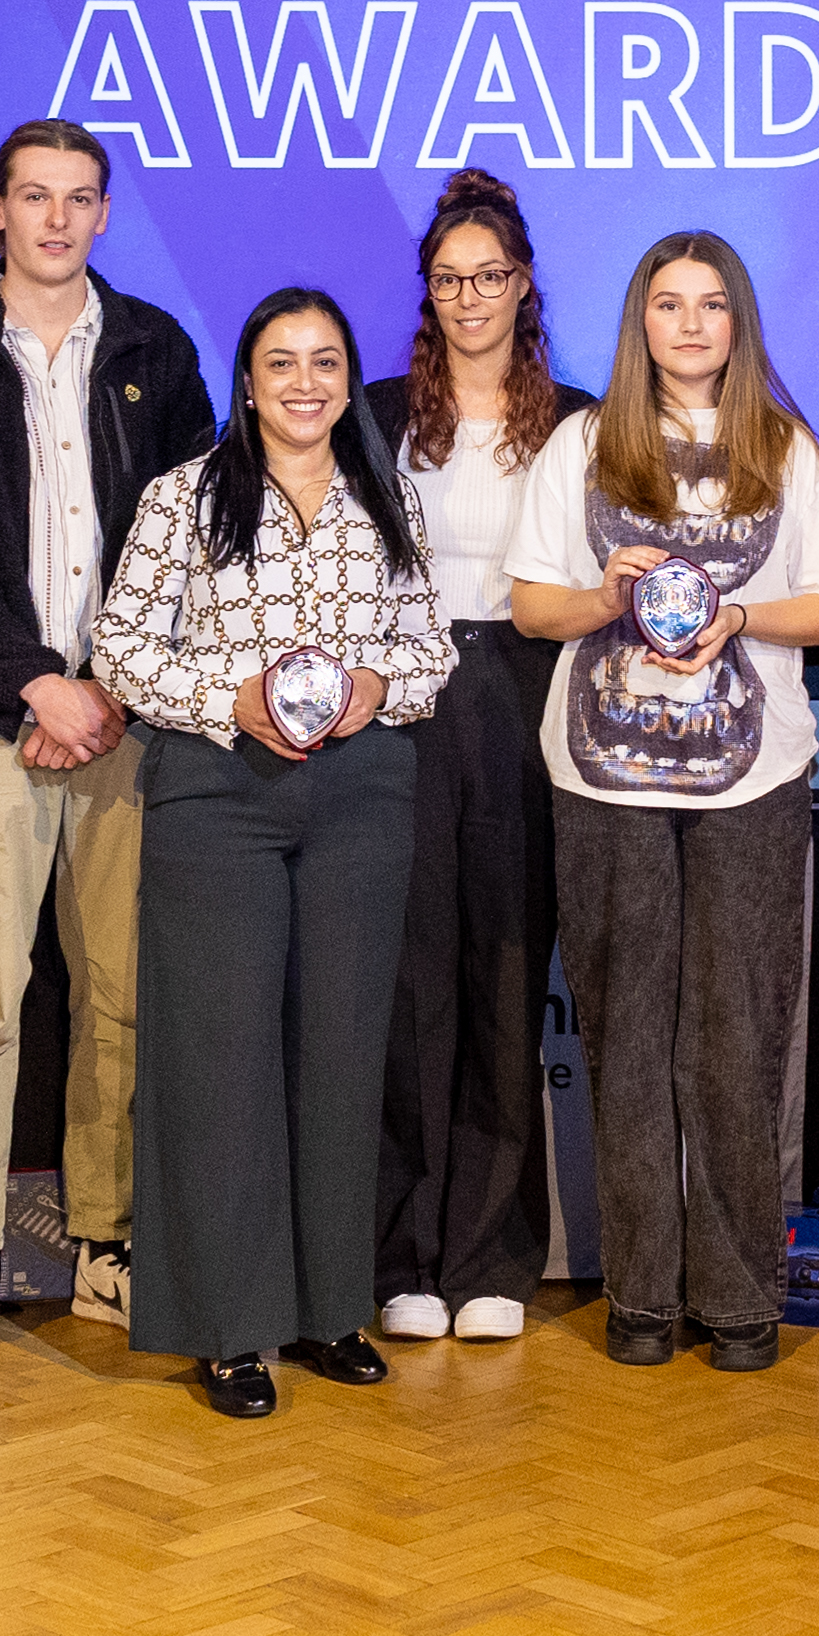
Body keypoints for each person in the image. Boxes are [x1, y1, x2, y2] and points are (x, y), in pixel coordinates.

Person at [0, 118, 214, 1368]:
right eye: (34, 197)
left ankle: (108, 1248)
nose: (57, 219)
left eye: (80, 199)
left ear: (105, 214)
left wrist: (115, 685)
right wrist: (34, 682)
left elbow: (190, 535)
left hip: (126, 720)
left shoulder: (155, 348)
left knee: (121, 998)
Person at [507, 232, 819, 1375]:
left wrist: (740, 617)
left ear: (737, 321)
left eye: (711, 305)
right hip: (601, 775)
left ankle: (738, 1294)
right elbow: (527, 609)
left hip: (752, 779)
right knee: (624, 1036)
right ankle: (642, 1292)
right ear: (639, 323)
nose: (691, 325)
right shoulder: (582, 442)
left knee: (734, 1037)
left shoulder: (783, 444)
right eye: (668, 305)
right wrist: (599, 598)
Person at [90, 287, 456, 1416]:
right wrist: (226, 697)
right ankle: (230, 1327)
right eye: (281, 363)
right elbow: (118, 646)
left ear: (349, 380)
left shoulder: (386, 496)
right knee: (220, 1061)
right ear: (245, 381)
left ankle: (328, 1308)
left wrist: (374, 688)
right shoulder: (181, 497)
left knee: (340, 1055)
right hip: (219, 792)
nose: (305, 383)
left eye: (325, 363)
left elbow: (431, 647)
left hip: (360, 793)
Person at [359, 170, 594, 1345]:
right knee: (408, 985)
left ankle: (495, 1256)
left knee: (506, 973)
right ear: (427, 292)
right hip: (400, 696)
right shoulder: (368, 413)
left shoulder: (583, 419)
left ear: (523, 283)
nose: (469, 298)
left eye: (488, 275)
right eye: (448, 279)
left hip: (527, 692)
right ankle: (401, 1253)